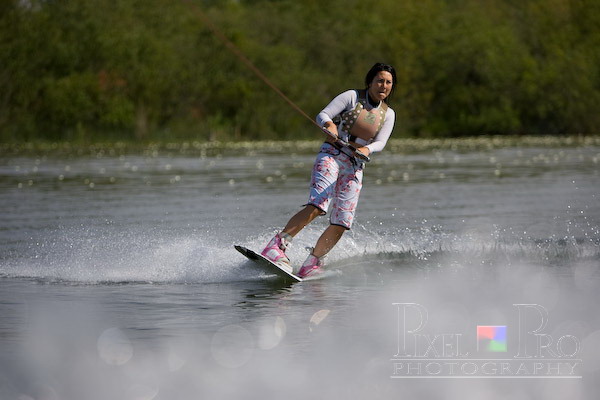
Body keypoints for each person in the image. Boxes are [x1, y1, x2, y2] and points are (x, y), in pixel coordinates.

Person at [261, 62, 397, 278]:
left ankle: (313, 262)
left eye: (388, 82)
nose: (384, 85)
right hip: (332, 155)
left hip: (354, 165)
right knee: (318, 205)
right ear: (370, 82)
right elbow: (323, 115)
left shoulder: (388, 114)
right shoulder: (352, 97)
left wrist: (367, 149)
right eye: (380, 80)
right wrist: (330, 125)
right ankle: (276, 246)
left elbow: (380, 142)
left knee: (343, 221)